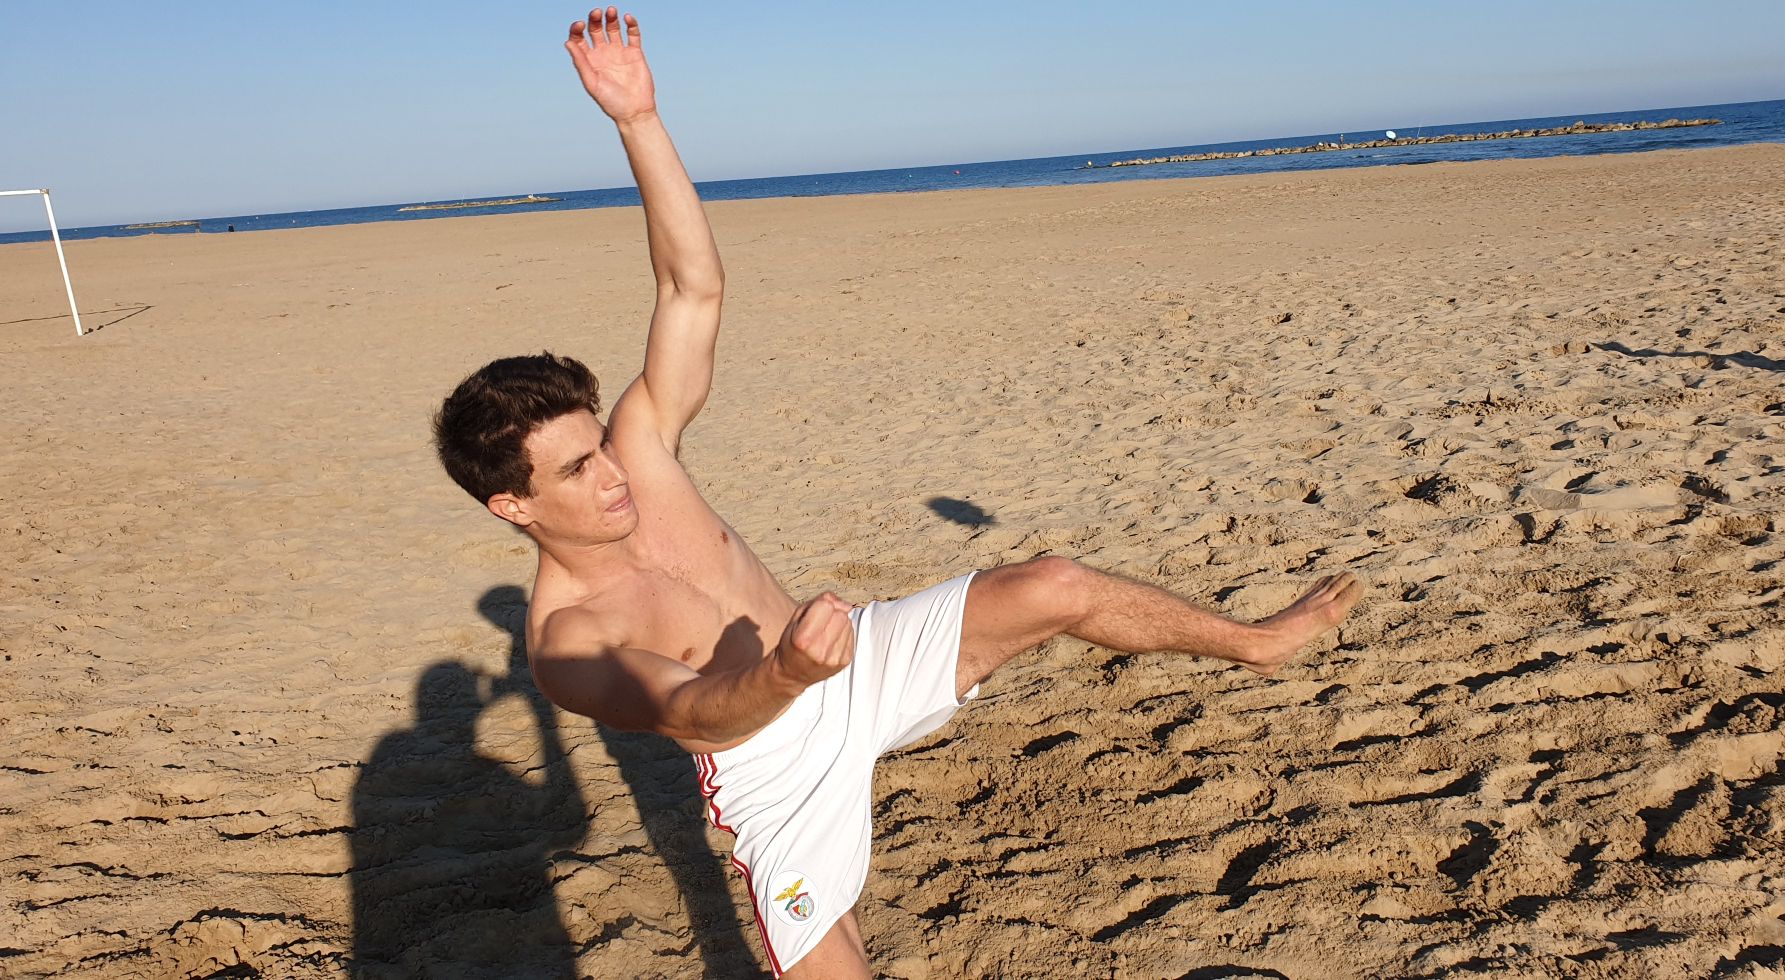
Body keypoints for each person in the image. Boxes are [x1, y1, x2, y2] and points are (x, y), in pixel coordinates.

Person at [431, 8, 1366, 977]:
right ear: (513, 506)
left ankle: (1255, 644)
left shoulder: (643, 447)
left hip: (856, 657)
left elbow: (692, 289)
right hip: (771, 756)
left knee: (1054, 584)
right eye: (577, 470)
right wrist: (789, 670)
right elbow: (701, 715)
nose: (614, 472)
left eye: (599, 446)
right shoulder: (567, 642)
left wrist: (638, 120)